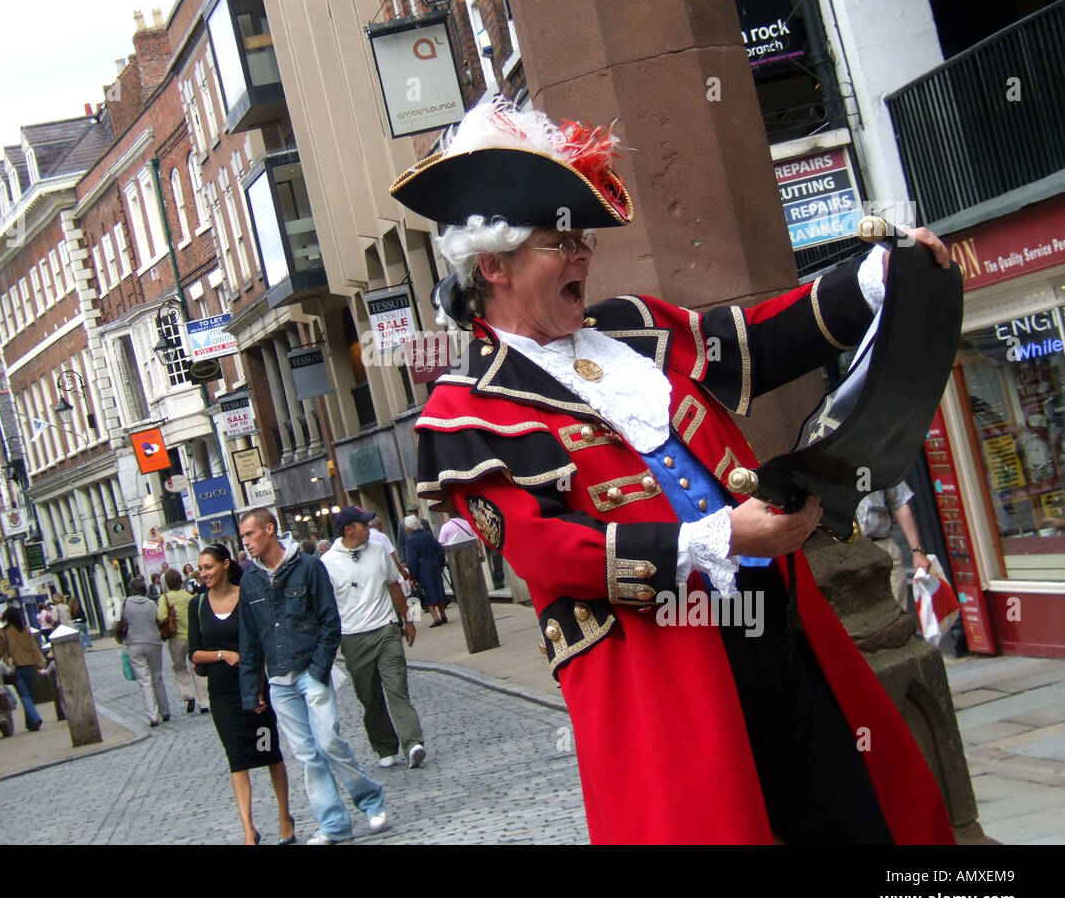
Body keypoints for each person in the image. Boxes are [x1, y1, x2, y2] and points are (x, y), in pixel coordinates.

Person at [396, 96, 956, 845]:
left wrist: (876, 279)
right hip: (657, 662)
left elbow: (762, 338)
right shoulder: (467, 411)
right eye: (558, 243)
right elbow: (545, 550)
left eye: (583, 238)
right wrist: (715, 537)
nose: (582, 256)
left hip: (774, 622)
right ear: (493, 265)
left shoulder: (636, 326)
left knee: (850, 813)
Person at [237, 507, 388, 845]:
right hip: (278, 680)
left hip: (310, 669)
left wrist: (320, 668)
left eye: (249, 534)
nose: (244, 542)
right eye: (243, 536)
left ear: (270, 529)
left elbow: (330, 621)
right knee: (307, 754)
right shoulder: (249, 580)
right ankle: (333, 824)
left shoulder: (307, 567)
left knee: (329, 741)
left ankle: (370, 800)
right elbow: (249, 640)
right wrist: (252, 691)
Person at [189, 543, 296, 845]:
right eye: (201, 568)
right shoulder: (197, 604)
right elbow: (194, 653)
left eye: (208, 567)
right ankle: (248, 829)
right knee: (236, 759)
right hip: (222, 696)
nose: (203, 573)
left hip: (253, 690)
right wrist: (223, 654)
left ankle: (284, 816)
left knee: (268, 751)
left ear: (224, 565)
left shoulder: (247, 597)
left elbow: (264, 644)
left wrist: (261, 690)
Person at [321, 508, 427, 770]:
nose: (370, 528)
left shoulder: (378, 549)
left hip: (386, 629)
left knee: (397, 687)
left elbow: (395, 585)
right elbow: (326, 605)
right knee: (369, 696)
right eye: (364, 525)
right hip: (353, 637)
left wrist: (409, 620)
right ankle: (384, 746)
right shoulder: (327, 562)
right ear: (349, 530)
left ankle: (413, 743)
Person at [856, 481, 929, 616]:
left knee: (897, 613)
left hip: (882, 544)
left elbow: (899, 503)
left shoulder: (880, 463)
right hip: (847, 551)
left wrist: (916, 551)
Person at [120, 576, 170, 726]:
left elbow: (116, 624)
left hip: (134, 643)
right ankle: (165, 711)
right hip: (153, 642)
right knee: (157, 676)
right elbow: (158, 621)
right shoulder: (151, 604)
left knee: (144, 680)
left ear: (131, 590)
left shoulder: (124, 604)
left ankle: (153, 715)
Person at [158, 567, 208, 714]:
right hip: (192, 637)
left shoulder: (165, 598)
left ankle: (188, 694)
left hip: (176, 639)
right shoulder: (188, 596)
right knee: (197, 667)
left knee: (179, 667)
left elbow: (161, 616)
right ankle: (204, 701)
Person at [0, 606, 44, 732]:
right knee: (30, 695)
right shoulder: (26, 630)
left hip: (14, 668)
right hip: (29, 665)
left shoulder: (3, 632)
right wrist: (40, 662)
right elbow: (34, 647)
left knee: (24, 695)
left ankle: (35, 719)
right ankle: (32, 723)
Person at [403, 516, 449, 626]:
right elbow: (439, 548)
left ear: (410, 527)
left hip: (422, 568)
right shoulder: (427, 535)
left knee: (426, 592)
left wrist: (412, 574)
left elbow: (412, 559)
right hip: (434, 564)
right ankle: (443, 614)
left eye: (406, 526)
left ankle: (436, 618)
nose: (405, 528)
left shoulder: (411, 540)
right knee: (438, 589)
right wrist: (441, 562)